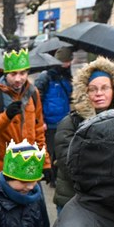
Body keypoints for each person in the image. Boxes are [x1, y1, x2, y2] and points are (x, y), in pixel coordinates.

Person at [52, 57, 114, 212]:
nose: (99, 94)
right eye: (93, 89)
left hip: (110, 203)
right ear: (84, 92)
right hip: (73, 201)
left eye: (105, 88)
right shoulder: (70, 123)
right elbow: (69, 165)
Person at [0, 49, 49, 181]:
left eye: (22, 73)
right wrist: (5, 117)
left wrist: (45, 162)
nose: (18, 79)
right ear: (6, 74)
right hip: (0, 171)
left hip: (28, 168)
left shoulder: (33, 93)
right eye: (13, 74)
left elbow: (39, 130)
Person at [34, 46, 73, 184]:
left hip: (63, 119)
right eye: (65, 61)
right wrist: (41, 120)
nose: (67, 64)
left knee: (60, 151)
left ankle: (56, 177)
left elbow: (70, 96)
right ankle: (49, 176)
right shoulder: (46, 77)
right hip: (49, 122)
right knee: (49, 151)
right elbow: (37, 99)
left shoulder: (67, 76)